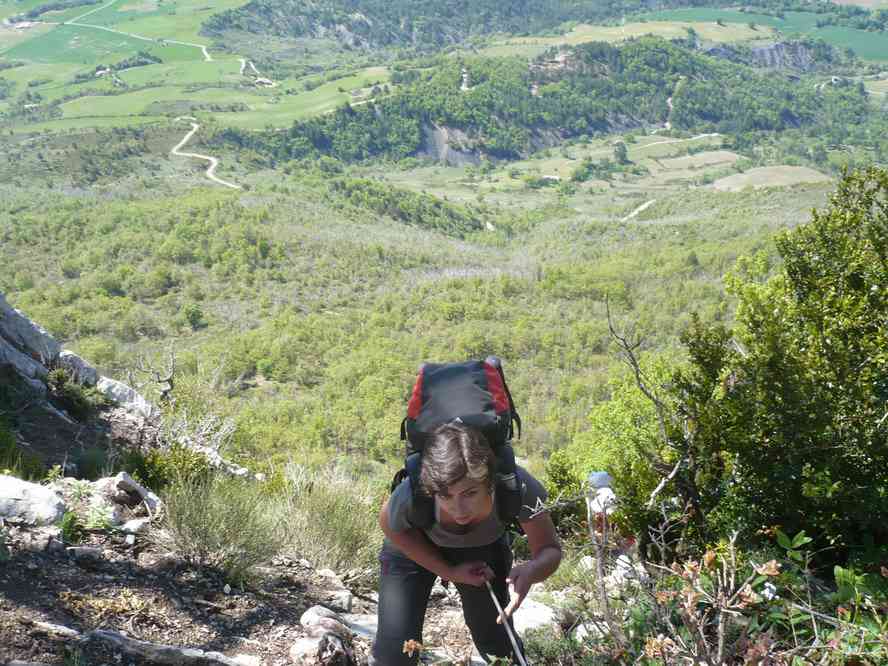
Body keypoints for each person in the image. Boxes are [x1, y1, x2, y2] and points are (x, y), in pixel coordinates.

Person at [372, 423, 562, 665]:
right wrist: (447, 571)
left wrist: (532, 571)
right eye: (445, 496)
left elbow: (550, 550)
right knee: (394, 650)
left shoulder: (517, 486)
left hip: (483, 553)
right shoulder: (413, 492)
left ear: (490, 482)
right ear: (432, 489)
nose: (458, 509)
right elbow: (390, 525)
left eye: (470, 493)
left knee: (498, 646)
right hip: (413, 550)